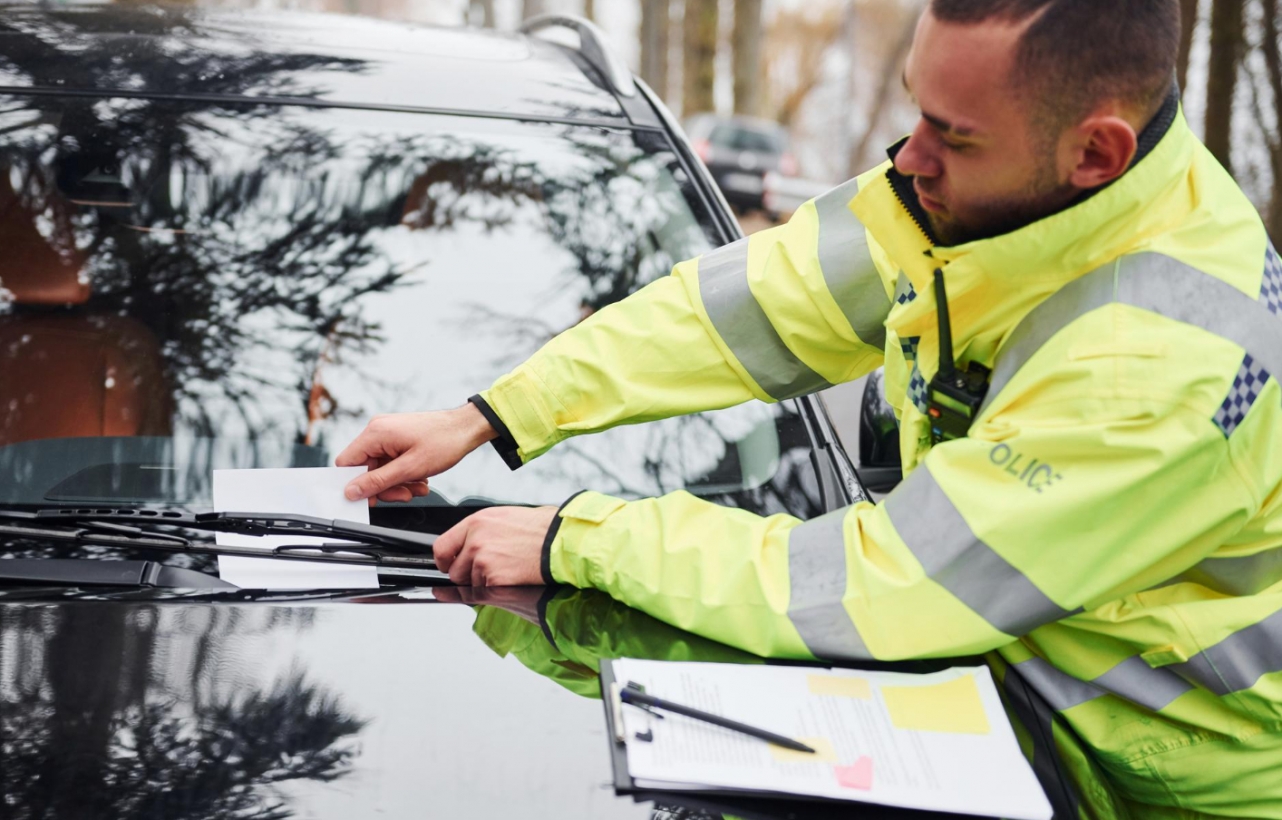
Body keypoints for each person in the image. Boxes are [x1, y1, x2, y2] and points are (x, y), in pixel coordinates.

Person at [339, 0, 1282, 814]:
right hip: (1029, 724)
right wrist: (494, 413)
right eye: (919, 110)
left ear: (1094, 152)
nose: (908, 158)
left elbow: (894, 583)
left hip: (1173, 791)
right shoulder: (996, 197)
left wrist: (573, 538)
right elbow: (745, 308)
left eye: (952, 136)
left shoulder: (1160, 363)